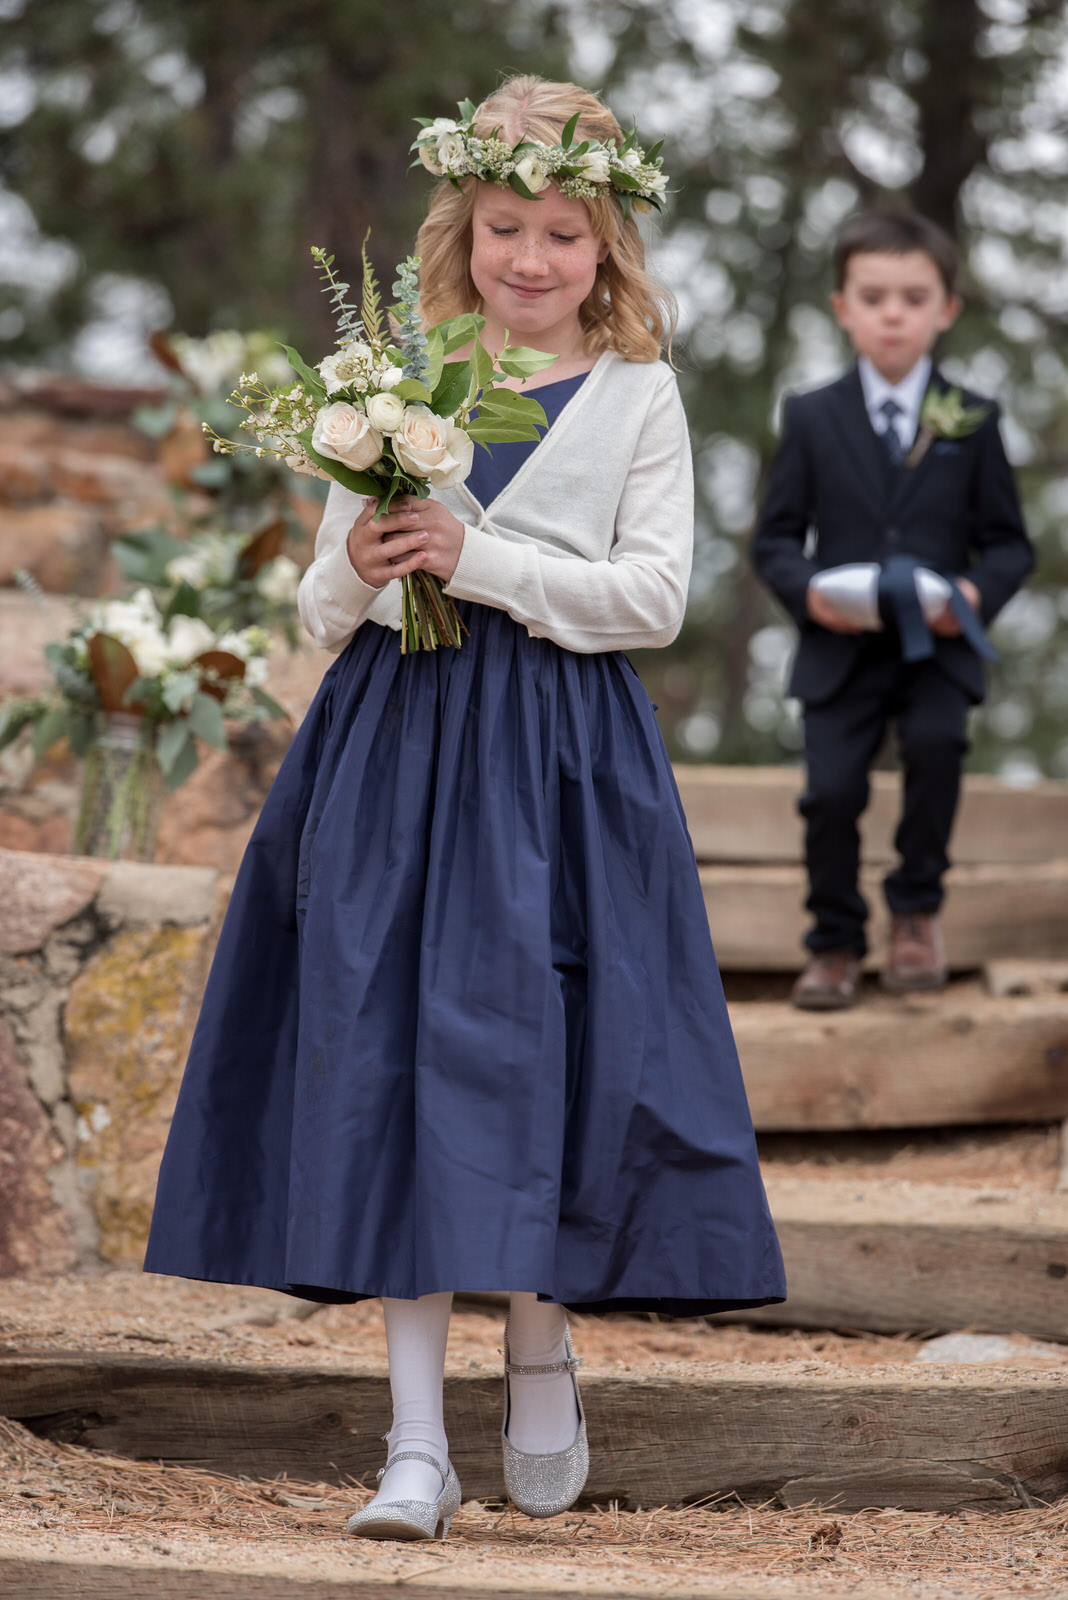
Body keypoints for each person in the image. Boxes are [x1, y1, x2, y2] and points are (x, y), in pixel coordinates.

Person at [145, 74, 785, 1540]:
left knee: (552, 1052)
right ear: (466, 225)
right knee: (394, 1062)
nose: (533, 258)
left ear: (605, 245)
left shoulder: (637, 396)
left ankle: (543, 1342)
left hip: (564, 768)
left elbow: (654, 599)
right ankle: (416, 1444)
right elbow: (320, 606)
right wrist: (368, 560)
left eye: (565, 232)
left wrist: (479, 558)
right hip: (398, 761)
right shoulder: (393, 382)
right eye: (507, 226)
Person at [752, 209, 1033, 1011]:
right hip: (839, 643)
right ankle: (834, 942)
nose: (893, 313)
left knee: (940, 747)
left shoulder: (973, 419)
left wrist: (976, 594)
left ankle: (916, 911)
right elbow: (774, 540)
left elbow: (1010, 546)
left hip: (938, 644)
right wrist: (808, 594)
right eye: (873, 296)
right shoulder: (809, 415)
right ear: (842, 307)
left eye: (914, 297)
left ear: (947, 308)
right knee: (831, 793)